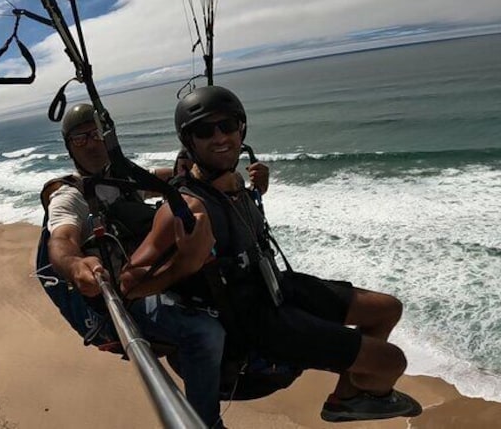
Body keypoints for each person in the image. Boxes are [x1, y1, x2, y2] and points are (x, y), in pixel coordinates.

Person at [121, 86, 423, 423]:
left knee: (386, 310)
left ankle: (346, 398)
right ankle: (367, 396)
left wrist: (255, 191)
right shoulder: (187, 206)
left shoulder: (234, 184)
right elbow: (129, 284)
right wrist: (184, 264)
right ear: (189, 142)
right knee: (391, 361)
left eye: (228, 126)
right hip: (255, 318)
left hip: (276, 285)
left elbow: (239, 226)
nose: (220, 137)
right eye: (205, 131)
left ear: (242, 129)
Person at [44, 103, 227, 427]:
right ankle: (206, 422)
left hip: (153, 273)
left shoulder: (122, 177)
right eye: (81, 137)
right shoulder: (70, 196)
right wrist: (74, 265)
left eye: (98, 132)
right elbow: (61, 240)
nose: (93, 141)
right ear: (70, 147)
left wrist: (205, 169)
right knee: (204, 331)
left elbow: (157, 180)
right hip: (128, 296)